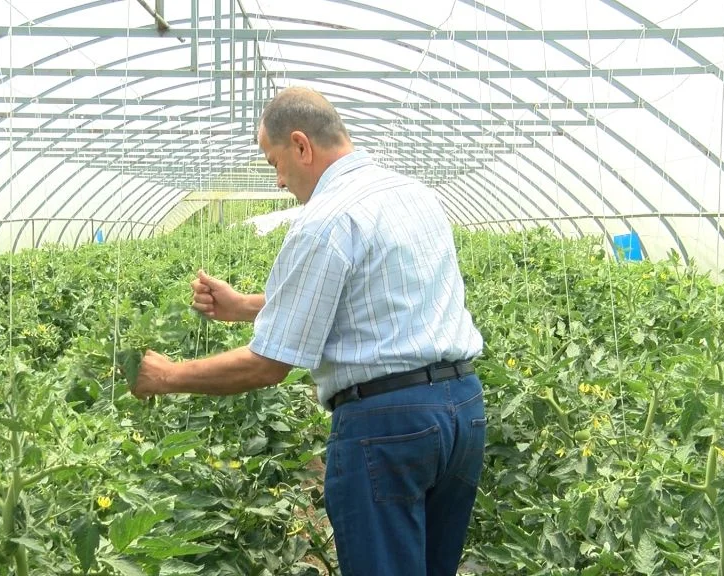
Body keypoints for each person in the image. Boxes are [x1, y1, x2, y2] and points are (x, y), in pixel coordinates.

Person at [131, 86, 486, 576]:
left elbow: (268, 365)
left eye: (274, 161)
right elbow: (372, 301)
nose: (278, 181)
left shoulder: (325, 219)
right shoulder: (414, 194)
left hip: (388, 427)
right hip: (463, 412)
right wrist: (245, 307)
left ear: (301, 146)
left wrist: (166, 376)